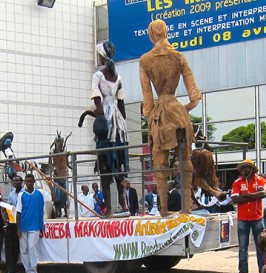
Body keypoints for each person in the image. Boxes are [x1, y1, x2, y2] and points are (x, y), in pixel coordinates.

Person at [139, 19, 201, 216]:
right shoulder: (179, 56)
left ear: (151, 35)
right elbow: (194, 96)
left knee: (160, 162)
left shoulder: (145, 60)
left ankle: (164, 210)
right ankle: (187, 208)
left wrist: (152, 116)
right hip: (178, 112)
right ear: (166, 32)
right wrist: (183, 110)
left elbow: (147, 101)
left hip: (160, 114)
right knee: (185, 159)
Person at [78, 40, 128, 217]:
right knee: (119, 164)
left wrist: (86, 114)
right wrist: (122, 126)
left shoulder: (98, 76)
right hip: (119, 126)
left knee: (104, 166)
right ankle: (124, 203)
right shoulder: (118, 77)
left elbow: (99, 109)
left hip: (106, 125)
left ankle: (110, 207)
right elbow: (122, 105)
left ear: (101, 56)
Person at [231, 159, 266, 273]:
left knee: (261, 246)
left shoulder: (260, 180)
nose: (245, 169)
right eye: (243, 167)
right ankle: (243, 272)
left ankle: (263, 272)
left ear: (252, 168)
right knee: (242, 247)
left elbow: (263, 194)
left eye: (247, 167)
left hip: (257, 217)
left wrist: (245, 195)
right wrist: (253, 195)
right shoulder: (237, 182)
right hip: (243, 219)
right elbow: (235, 199)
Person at [15, 174, 45, 273]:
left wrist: (50, 184)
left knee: (31, 247)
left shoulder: (40, 193)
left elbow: (53, 198)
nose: (28, 183)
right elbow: (18, 212)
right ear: (25, 182)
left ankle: (33, 270)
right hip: (23, 225)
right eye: (27, 181)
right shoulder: (21, 195)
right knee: (23, 249)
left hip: (35, 225)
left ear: (34, 182)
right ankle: (27, 270)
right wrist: (18, 228)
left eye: (30, 181)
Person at [3, 176, 23, 273]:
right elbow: (9, 205)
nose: (15, 182)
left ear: (21, 182)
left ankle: (14, 268)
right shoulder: (11, 193)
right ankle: (10, 269)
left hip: (21, 222)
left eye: (17, 180)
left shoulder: (24, 193)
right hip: (11, 221)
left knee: (17, 246)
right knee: (9, 246)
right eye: (13, 181)